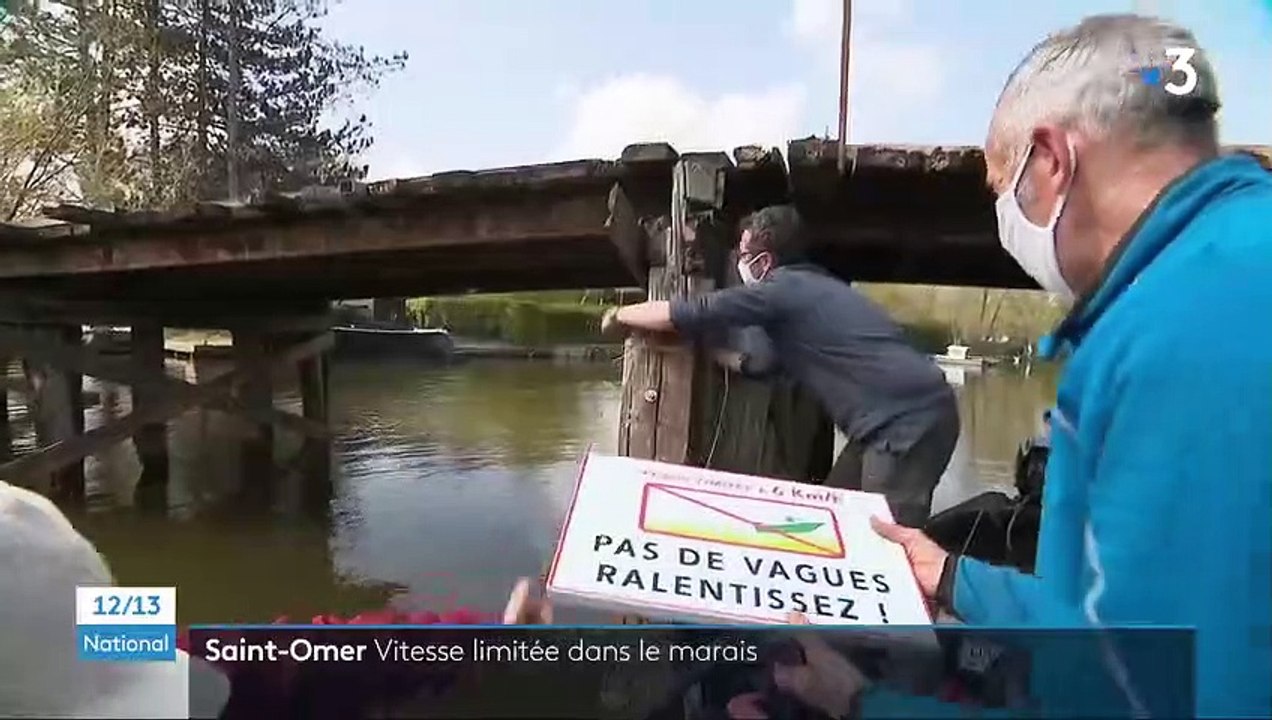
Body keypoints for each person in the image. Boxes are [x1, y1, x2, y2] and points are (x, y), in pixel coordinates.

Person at [868, 13, 1272, 718]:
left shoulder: (1169, 334)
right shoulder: (1232, 262)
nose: (1006, 220)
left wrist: (864, 705)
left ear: (1051, 159)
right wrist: (954, 576)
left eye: (1003, 187)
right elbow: (1135, 619)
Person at [601, 204, 960, 527]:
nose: (741, 263)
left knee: (886, 543)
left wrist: (620, 314)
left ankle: (920, 597)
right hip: (889, 421)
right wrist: (717, 357)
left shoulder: (781, 291)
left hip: (906, 424)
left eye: (745, 255)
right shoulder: (813, 290)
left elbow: (690, 312)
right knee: (832, 516)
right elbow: (765, 363)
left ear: (766, 261)